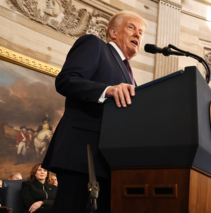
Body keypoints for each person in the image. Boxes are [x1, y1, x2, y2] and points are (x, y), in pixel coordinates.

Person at [41, 10, 148, 213]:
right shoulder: (96, 46)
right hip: (83, 156)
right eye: (132, 27)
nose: (137, 35)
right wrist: (107, 90)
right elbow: (66, 80)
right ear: (113, 32)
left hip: (112, 163)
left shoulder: (132, 77)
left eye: (141, 33)